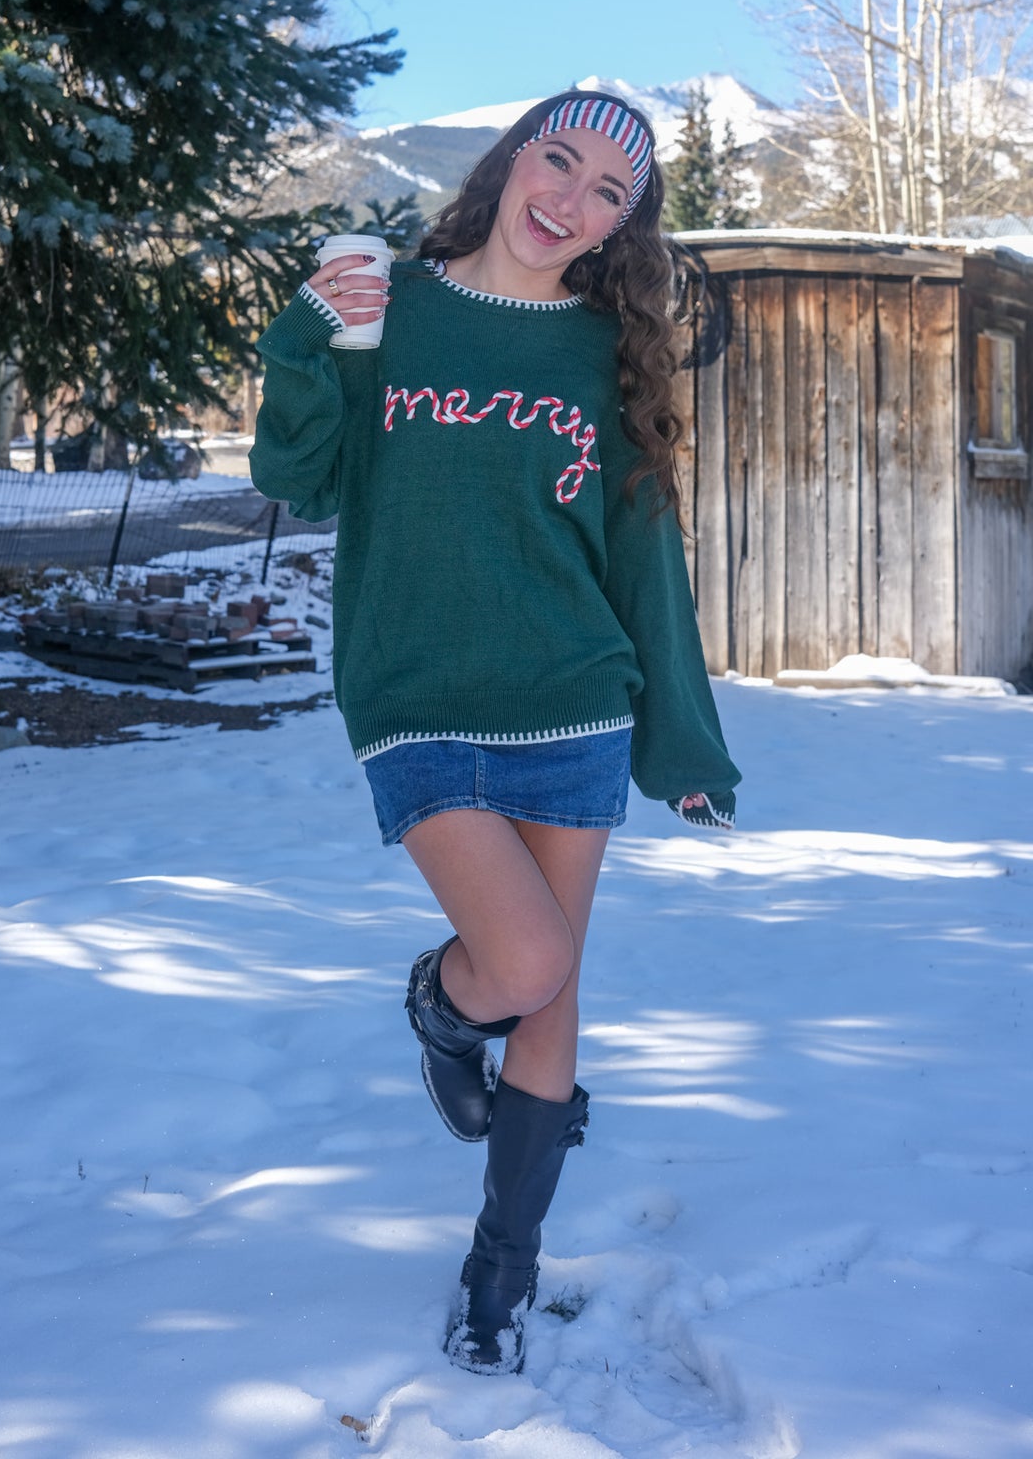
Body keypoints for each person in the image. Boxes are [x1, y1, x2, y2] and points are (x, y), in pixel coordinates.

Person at [250, 90, 741, 1375]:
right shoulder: (390, 305)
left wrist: (681, 746)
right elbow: (297, 477)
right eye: (559, 160)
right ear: (512, 155)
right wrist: (313, 334)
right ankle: (440, 998)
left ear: (622, 227)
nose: (571, 200)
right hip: (414, 696)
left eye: (608, 196)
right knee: (519, 963)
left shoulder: (603, 354)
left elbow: (645, 566)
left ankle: (501, 1268)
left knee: (556, 988)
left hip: (573, 698)